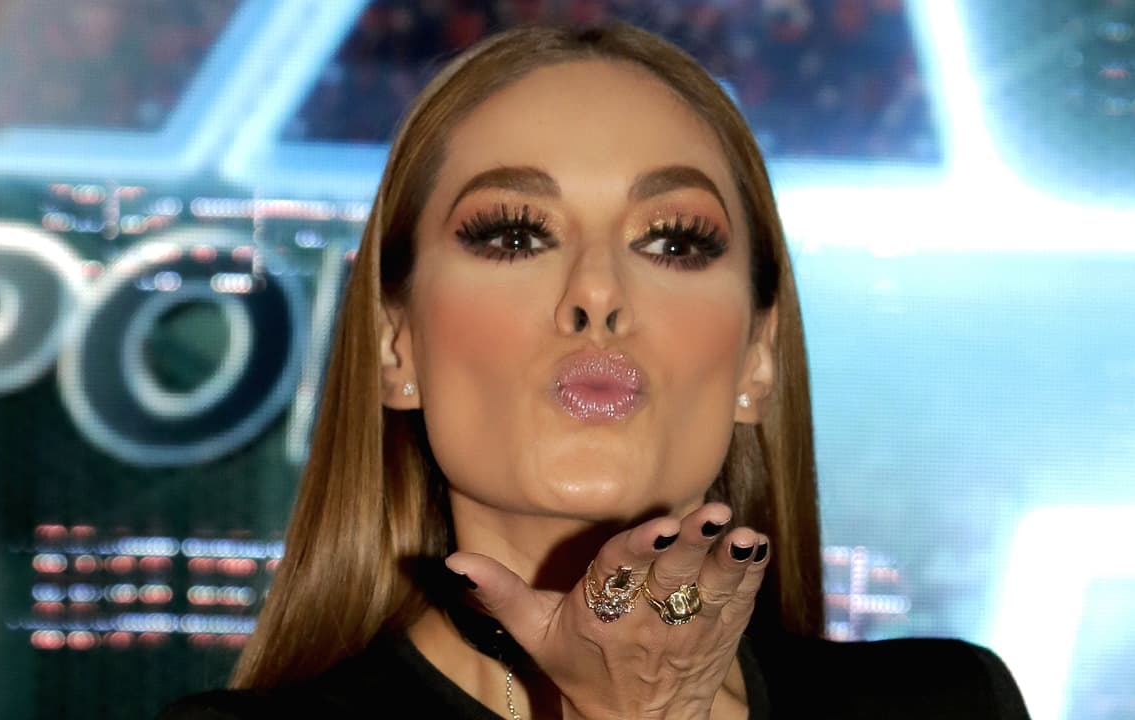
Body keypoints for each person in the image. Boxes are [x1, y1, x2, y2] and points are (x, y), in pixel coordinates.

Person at [162, 22, 1029, 719]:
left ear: (757, 358)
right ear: (398, 348)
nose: (598, 294)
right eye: (514, 235)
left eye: (673, 242)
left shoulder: (949, 704)